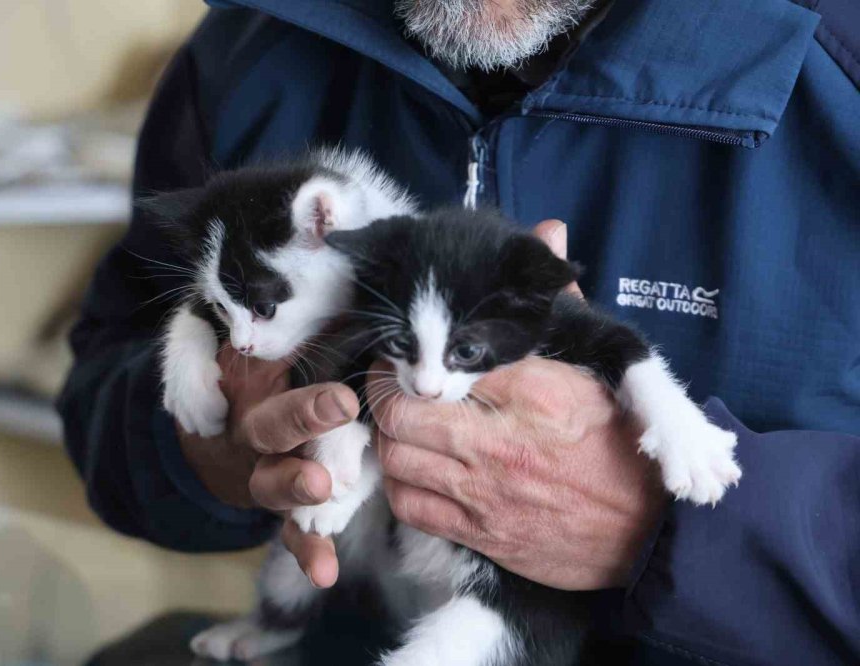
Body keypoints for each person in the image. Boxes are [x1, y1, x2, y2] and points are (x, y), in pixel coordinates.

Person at [57, 0, 860, 663]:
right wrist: (212, 446)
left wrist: (672, 529)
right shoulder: (250, 46)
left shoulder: (837, 63)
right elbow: (103, 397)